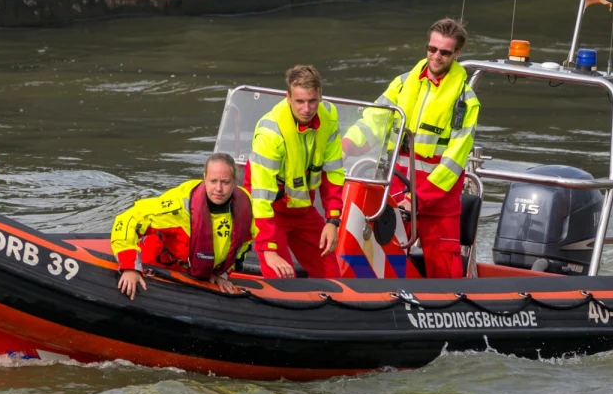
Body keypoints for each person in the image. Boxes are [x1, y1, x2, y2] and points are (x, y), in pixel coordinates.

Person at [343, 17, 480, 279]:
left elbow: (453, 161)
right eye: (432, 49)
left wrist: (417, 198)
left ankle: (446, 312)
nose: (436, 56)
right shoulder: (403, 83)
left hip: (436, 197)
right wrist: (346, 146)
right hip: (395, 189)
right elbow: (373, 121)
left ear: (457, 54)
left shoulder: (466, 102)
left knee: (444, 268)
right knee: (378, 258)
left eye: (444, 52)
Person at [245, 64, 345, 279]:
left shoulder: (329, 115)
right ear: (288, 97)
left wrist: (333, 220)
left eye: (312, 101)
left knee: (333, 278)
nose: (306, 109)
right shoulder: (270, 134)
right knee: (281, 280)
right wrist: (267, 248)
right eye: (299, 101)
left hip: (304, 209)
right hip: (272, 211)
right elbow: (260, 196)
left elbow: (333, 171)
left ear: (320, 96)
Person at [111, 152, 256, 299]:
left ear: (234, 181)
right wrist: (130, 268)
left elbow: (243, 244)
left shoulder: (245, 207)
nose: (218, 188)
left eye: (225, 182)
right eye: (213, 181)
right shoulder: (180, 206)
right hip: (158, 265)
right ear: (204, 178)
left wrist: (220, 274)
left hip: (198, 275)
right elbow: (128, 219)